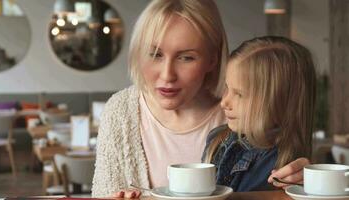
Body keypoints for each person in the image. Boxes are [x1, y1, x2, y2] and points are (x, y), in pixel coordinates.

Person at [91, 0, 309, 198]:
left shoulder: (245, 115)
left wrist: (302, 183)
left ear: (213, 59)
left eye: (186, 57)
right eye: (155, 54)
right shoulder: (120, 111)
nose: (167, 75)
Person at [202, 36, 316, 192]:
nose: (224, 102)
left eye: (239, 94)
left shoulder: (282, 163)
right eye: (227, 88)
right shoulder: (216, 139)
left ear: (279, 103)